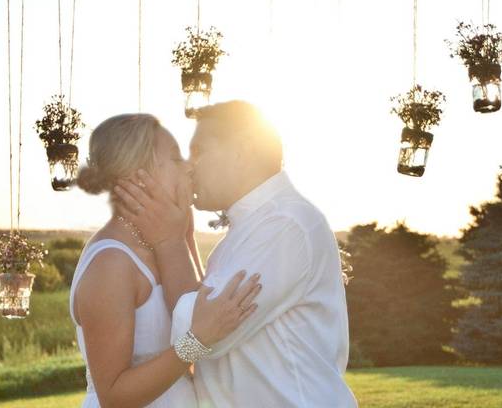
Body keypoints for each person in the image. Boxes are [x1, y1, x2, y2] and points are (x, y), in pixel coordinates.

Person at [115, 101, 357, 407]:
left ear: (242, 151)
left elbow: (203, 332)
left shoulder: (286, 224)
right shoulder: (251, 230)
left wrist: (168, 241)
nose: (189, 165)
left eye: (200, 150)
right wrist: (183, 237)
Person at [71, 113, 262, 408]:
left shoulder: (167, 243)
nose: (188, 167)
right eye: (175, 159)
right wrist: (196, 342)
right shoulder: (111, 264)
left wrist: (184, 236)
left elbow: (197, 313)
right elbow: (113, 395)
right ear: (137, 177)